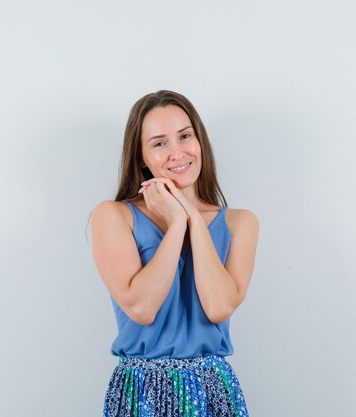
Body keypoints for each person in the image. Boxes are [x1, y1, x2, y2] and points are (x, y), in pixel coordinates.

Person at [90, 90, 259, 417]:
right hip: (141, 391)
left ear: (200, 142)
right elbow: (141, 307)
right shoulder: (113, 216)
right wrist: (177, 222)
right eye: (159, 143)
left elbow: (219, 306)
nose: (177, 152)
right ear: (141, 157)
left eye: (185, 136)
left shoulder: (241, 222)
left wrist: (193, 217)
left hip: (213, 389)